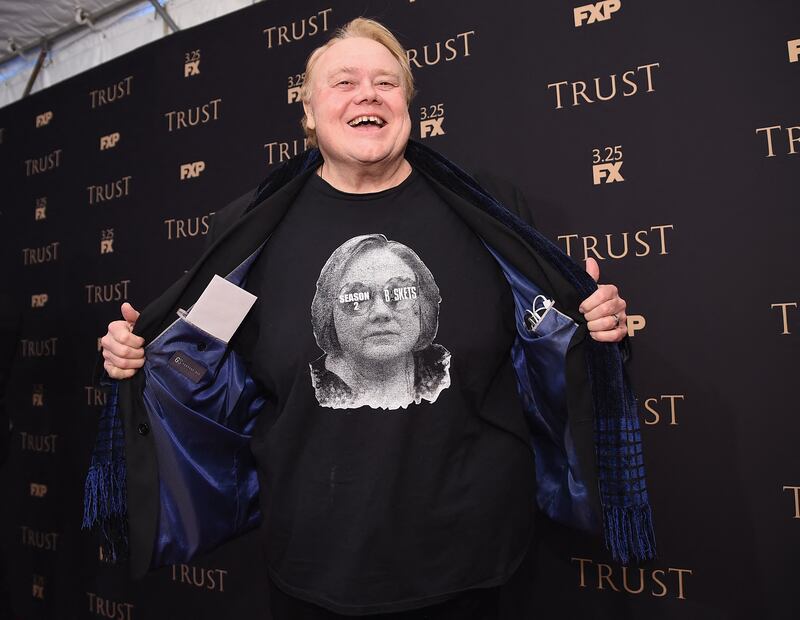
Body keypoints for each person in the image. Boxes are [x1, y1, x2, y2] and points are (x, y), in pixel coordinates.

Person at [95, 17, 653, 619]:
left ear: (408, 107)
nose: (368, 93)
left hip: (476, 559)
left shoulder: (487, 211)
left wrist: (592, 326)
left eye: (386, 82)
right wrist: (140, 357)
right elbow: (200, 350)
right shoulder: (250, 235)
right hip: (312, 562)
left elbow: (543, 336)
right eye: (345, 82)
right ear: (308, 112)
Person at [310, 233, 450, 410]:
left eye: (396, 293)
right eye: (357, 297)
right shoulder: (306, 386)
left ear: (423, 305)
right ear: (328, 313)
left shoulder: (447, 369)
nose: (381, 312)